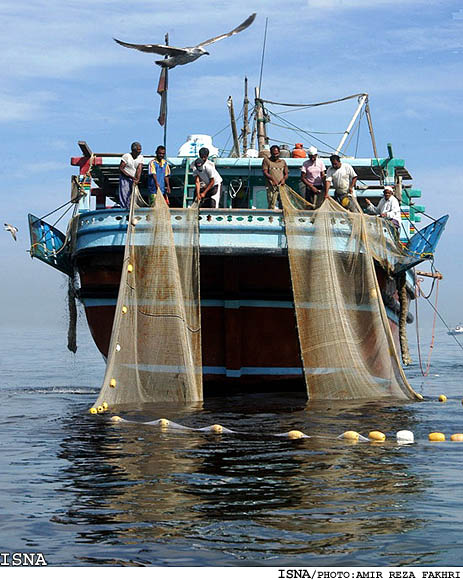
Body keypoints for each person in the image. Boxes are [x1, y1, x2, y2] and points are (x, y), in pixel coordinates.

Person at [262, 145, 289, 209]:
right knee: (271, 204)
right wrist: (272, 180)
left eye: (277, 154)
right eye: (273, 154)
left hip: (281, 187)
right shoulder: (266, 160)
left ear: (279, 153)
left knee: (283, 204)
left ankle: (282, 218)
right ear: (271, 153)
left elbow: (286, 174)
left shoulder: (283, 162)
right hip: (271, 187)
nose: (275, 155)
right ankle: (270, 218)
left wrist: (283, 180)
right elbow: (265, 172)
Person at [118, 142, 144, 209]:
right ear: (133, 150)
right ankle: (124, 209)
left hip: (133, 179)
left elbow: (139, 168)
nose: (140, 151)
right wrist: (130, 176)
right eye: (138, 150)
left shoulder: (140, 157)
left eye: (140, 149)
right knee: (124, 194)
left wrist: (137, 179)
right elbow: (121, 168)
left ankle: (130, 209)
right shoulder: (126, 156)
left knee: (132, 196)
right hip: (125, 178)